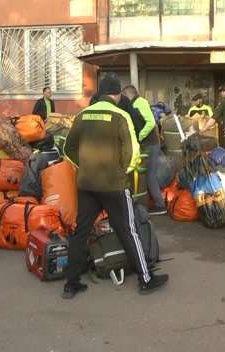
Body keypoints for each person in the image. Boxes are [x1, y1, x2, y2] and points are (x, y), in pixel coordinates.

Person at [62, 76, 168, 299]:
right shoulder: (121, 116)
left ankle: (71, 283)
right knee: (128, 230)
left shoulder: (82, 115)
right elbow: (133, 152)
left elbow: (68, 148)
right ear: (117, 95)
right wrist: (121, 174)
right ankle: (146, 279)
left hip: (87, 184)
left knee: (81, 231)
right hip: (114, 186)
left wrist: (85, 168)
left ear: (100, 94)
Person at [122, 85, 165, 216]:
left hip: (151, 144)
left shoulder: (140, 102)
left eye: (123, 96)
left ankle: (160, 206)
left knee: (150, 175)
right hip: (148, 144)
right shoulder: (135, 103)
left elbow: (151, 122)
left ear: (128, 94)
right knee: (147, 175)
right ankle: (151, 202)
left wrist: (139, 137)